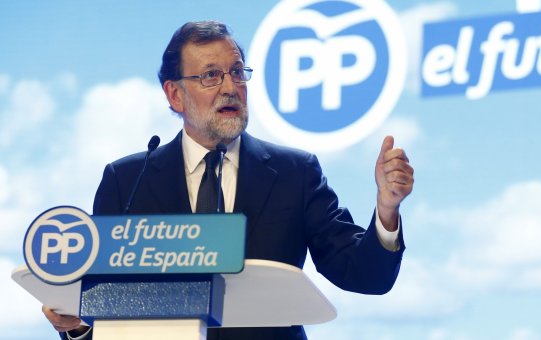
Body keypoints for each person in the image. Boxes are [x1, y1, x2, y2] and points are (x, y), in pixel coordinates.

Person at [42, 20, 414, 340]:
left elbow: (364, 275)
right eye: (210, 75)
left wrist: (386, 209)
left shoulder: (294, 173)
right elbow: (106, 315)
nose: (230, 86)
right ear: (175, 95)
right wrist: (77, 325)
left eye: (237, 72)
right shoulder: (126, 181)